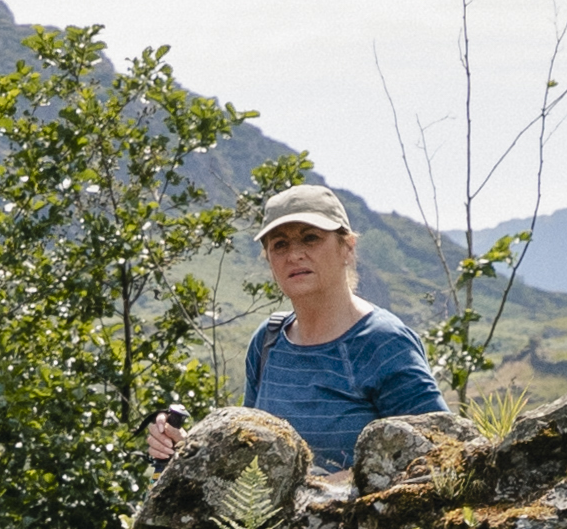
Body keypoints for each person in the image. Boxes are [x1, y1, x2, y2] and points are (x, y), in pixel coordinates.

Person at [149, 185, 454, 468]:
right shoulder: (268, 340)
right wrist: (184, 451)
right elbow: (252, 461)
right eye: (279, 245)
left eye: (311, 238)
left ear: (347, 247)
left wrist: (331, 487)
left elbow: (442, 455)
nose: (294, 255)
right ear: (269, 259)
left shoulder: (382, 342)